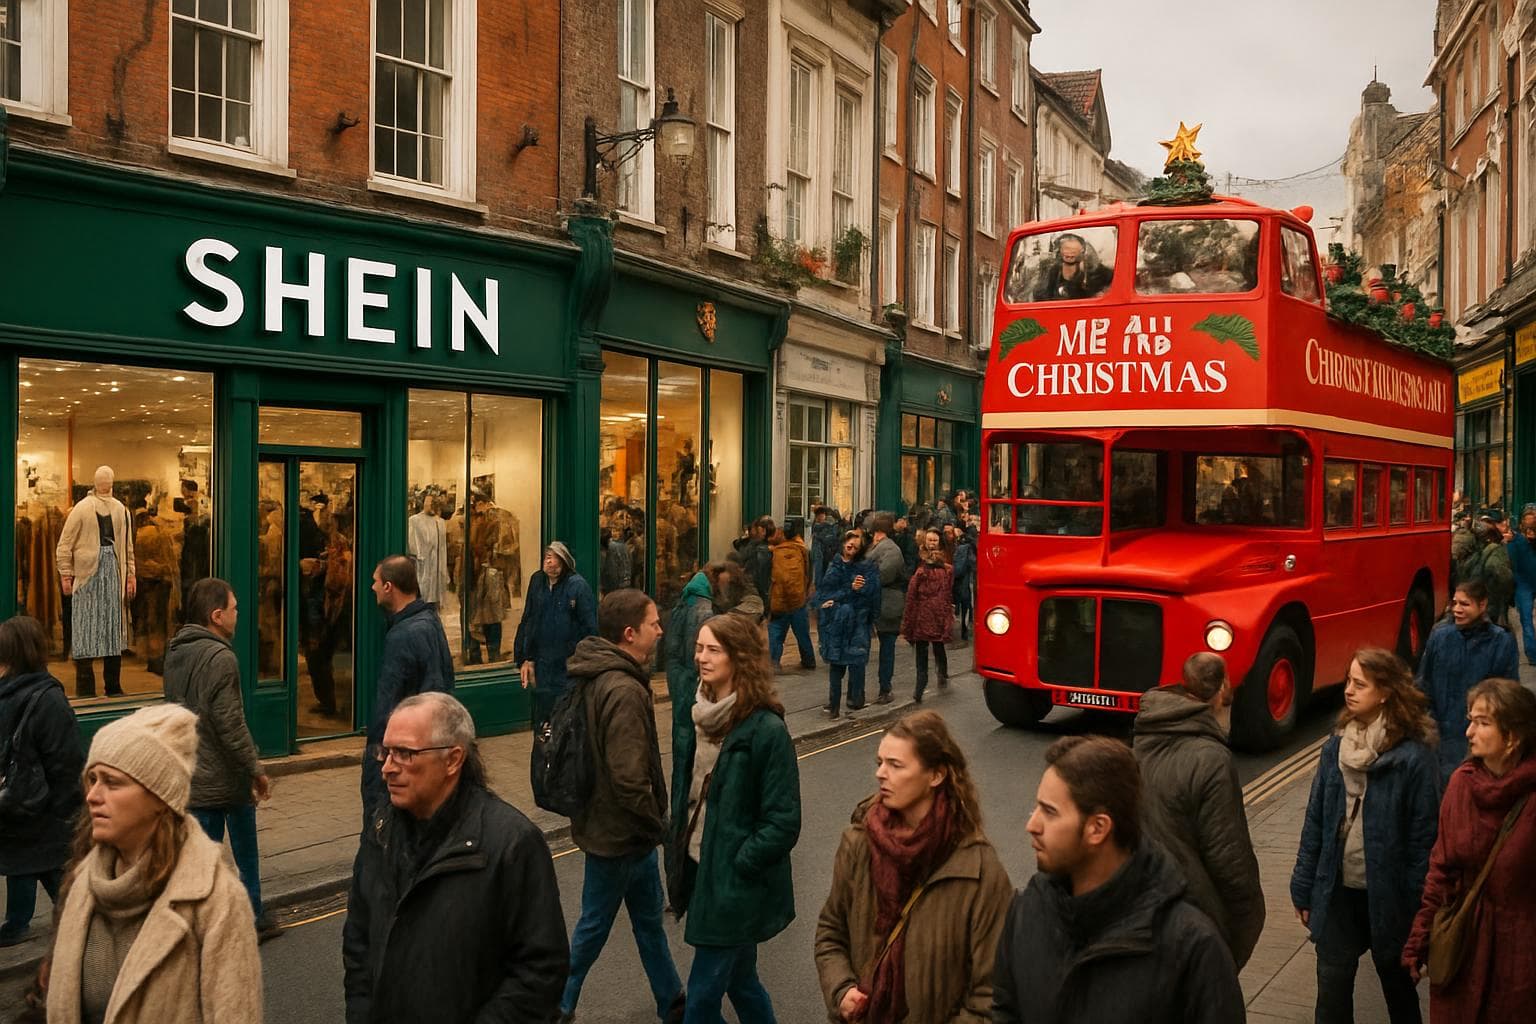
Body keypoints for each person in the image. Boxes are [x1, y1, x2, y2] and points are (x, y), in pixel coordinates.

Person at [343, 692, 568, 1023]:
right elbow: (358, 942)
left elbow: (541, 970)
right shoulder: (381, 832)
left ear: (453, 760)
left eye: (405, 753)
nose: (388, 768)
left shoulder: (512, 844)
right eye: (386, 752)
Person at [992, 736, 1244, 1022]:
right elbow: (1005, 1008)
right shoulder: (1027, 910)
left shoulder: (1193, 949)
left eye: (1049, 812)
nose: (1032, 825)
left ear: (1097, 828)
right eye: (1036, 808)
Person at [46, 704, 262, 1024]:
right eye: (92, 779)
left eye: (112, 782)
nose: (92, 795)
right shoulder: (82, 883)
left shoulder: (217, 900)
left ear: (160, 799)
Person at [815, 711, 1012, 1022]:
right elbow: (831, 932)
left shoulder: (979, 870)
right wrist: (841, 990)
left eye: (895, 765)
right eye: (879, 762)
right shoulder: (858, 842)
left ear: (936, 775)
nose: (881, 773)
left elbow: (991, 992)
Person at [1290, 648, 1440, 1024]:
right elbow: (1316, 822)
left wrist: (1417, 909)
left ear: (1386, 691)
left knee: (1398, 989)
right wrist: (1303, 885)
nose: (1349, 691)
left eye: (1360, 684)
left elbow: (1424, 841)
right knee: (1332, 989)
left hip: (1389, 897)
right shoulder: (1335, 746)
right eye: (1348, 681)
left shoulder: (1414, 759)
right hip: (1338, 890)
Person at [669, 613, 800, 1023]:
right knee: (742, 982)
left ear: (739, 657)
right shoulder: (697, 714)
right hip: (700, 867)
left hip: (733, 884)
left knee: (701, 1003)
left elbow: (783, 821)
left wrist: (739, 863)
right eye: (699, 648)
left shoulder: (765, 730)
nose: (702, 658)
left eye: (713, 650)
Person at [560, 591, 684, 1024]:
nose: (660, 630)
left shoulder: (600, 673)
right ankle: (558, 1003)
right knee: (593, 928)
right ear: (630, 634)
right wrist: (659, 825)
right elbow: (630, 778)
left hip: (616, 829)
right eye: (654, 623)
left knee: (648, 924)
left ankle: (672, 1001)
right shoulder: (624, 688)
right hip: (620, 835)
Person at [1404, 677, 1536, 1023]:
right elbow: (1440, 870)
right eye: (1470, 720)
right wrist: (1419, 939)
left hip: (1521, 956)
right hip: (1465, 948)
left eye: (1482, 722)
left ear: (1513, 736)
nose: (1468, 732)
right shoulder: (1461, 785)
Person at [162, 577, 281, 942]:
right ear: (217, 615)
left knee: (200, 859)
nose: (237, 614)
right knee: (246, 854)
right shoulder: (221, 657)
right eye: (234, 608)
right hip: (226, 777)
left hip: (192, 772)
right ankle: (252, 916)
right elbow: (230, 724)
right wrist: (255, 770)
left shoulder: (175, 652)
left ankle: (200, 922)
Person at [1133, 652, 1264, 969]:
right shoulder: (1212, 759)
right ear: (1222, 691)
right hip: (1190, 920)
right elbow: (1229, 860)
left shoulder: (1143, 737)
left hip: (1142, 908)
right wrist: (1243, 930)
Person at [0, 616, 83, 948]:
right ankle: (80, 931)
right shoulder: (48, 699)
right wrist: (71, 809)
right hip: (46, 808)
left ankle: (17, 922)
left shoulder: (5, 695)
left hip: (13, 802)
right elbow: (66, 760)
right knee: (57, 870)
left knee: (19, 861)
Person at [362, 556, 454, 816]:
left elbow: (388, 700)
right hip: (425, 746)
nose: (372, 588)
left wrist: (379, 752)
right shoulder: (430, 622)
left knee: (383, 825)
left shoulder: (403, 635)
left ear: (389, 586)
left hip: (403, 749)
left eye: (376, 582)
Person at [1417, 580, 1519, 783]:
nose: (1456, 609)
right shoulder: (1439, 637)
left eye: (1465, 604)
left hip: (1477, 738)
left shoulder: (1501, 641)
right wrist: (1427, 722)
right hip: (1440, 738)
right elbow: (1423, 682)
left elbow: (1507, 694)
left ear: (1482, 605)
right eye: (1454, 603)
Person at [514, 541, 598, 731]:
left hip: (567, 666)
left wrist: (581, 663)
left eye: (553, 558)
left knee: (566, 722)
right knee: (542, 722)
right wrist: (525, 658)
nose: (549, 562)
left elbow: (590, 629)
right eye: (547, 557)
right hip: (542, 665)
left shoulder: (578, 587)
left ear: (564, 561)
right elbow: (529, 620)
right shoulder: (538, 582)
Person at [814, 530, 880, 719]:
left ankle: (855, 700)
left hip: (858, 621)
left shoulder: (866, 567)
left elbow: (873, 594)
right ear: (843, 543)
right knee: (836, 665)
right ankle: (834, 706)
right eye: (849, 545)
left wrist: (872, 615)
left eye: (855, 548)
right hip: (837, 622)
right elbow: (825, 593)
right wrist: (847, 591)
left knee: (857, 662)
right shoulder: (834, 565)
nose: (850, 550)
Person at [901, 530, 954, 703]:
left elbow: (912, 594)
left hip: (929, 613)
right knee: (927, 648)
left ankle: (928, 681)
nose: (932, 543)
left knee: (932, 648)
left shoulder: (939, 566)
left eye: (935, 540)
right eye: (929, 539)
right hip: (927, 613)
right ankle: (926, 682)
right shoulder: (921, 561)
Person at [866, 513, 906, 705]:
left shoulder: (889, 550)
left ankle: (884, 688)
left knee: (886, 649)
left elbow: (883, 576)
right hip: (883, 603)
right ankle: (882, 687)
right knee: (885, 649)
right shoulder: (886, 548)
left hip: (887, 604)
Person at [767, 522, 816, 674]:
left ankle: (774, 662)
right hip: (798, 599)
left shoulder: (775, 552)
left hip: (779, 600)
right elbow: (808, 572)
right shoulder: (803, 549)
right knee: (802, 633)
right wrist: (806, 589)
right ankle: (808, 660)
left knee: (776, 632)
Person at [1030, 232, 1113, 302]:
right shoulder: (1053, 272)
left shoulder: (1094, 270)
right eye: (1066, 248)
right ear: (1059, 252)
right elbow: (1040, 296)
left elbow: (1114, 282)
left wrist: (1102, 293)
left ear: (1083, 252)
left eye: (1074, 250)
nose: (1070, 253)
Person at [1466, 511, 1513, 626]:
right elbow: (1503, 576)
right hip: (1490, 599)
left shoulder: (1473, 549)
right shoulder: (1495, 550)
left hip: (1473, 595)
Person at [729, 516, 776, 620]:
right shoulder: (767, 545)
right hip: (763, 589)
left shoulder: (759, 547)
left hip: (756, 588)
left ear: (762, 530)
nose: (751, 531)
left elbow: (744, 557)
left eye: (754, 528)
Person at [1508, 505, 1536, 664]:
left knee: (1526, 620)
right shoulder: (1515, 540)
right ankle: (1532, 654)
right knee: (1526, 620)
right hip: (1523, 583)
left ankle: (1532, 654)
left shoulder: (1517, 540)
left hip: (1525, 583)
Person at [952, 525, 976, 640]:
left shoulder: (960, 547)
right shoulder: (970, 546)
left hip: (961, 581)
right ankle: (965, 629)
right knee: (966, 604)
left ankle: (963, 629)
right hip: (967, 581)